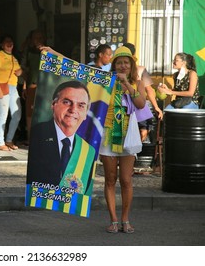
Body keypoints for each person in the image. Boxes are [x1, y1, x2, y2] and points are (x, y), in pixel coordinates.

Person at [99, 46, 146, 234]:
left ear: (131, 64)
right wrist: (54, 53)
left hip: (129, 136)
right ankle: (113, 220)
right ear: (114, 65)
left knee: (126, 180)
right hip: (108, 135)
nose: (123, 65)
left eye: (126, 62)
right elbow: (79, 72)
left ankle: (125, 219)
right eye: (119, 62)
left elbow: (141, 104)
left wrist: (127, 83)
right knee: (110, 179)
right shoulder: (105, 81)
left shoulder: (137, 82)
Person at [26, 81, 95, 192]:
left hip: (71, 207)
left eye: (81, 105)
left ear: (86, 113)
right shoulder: (37, 135)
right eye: (67, 102)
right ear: (53, 105)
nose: (73, 110)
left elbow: (85, 191)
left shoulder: (88, 151)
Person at [123, 43, 163, 142]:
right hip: (138, 106)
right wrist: (156, 107)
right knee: (143, 131)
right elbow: (149, 90)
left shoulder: (117, 70)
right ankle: (135, 152)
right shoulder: (140, 70)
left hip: (123, 106)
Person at [0, 35, 22, 151]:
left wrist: (20, 71)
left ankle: (9, 140)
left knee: (17, 115)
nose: (9, 43)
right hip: (2, 86)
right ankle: (1, 143)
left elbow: (19, 71)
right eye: (6, 41)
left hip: (13, 88)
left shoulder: (14, 58)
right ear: (2, 44)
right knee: (3, 115)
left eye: (11, 41)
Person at [21, 29, 46, 145]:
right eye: (36, 38)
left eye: (40, 38)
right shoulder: (28, 52)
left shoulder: (47, 51)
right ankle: (30, 137)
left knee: (43, 112)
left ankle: (42, 138)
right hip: (32, 85)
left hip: (45, 87)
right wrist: (24, 86)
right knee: (30, 113)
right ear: (31, 40)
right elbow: (24, 69)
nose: (38, 40)